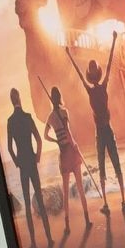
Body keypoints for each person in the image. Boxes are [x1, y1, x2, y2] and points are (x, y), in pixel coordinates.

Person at [65, 35, 125, 215]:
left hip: (101, 132)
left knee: (104, 166)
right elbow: (108, 65)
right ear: (97, 75)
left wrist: (69, 56)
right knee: (114, 163)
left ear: (91, 75)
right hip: (105, 130)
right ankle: (122, 201)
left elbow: (80, 74)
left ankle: (109, 203)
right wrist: (113, 41)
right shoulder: (102, 86)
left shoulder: (91, 90)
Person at [6, 88, 51, 248]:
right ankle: (49, 238)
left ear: (12, 101)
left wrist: (17, 162)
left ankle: (33, 242)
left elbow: (9, 147)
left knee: (26, 201)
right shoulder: (27, 117)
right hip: (31, 161)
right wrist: (37, 156)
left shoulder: (10, 121)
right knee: (39, 197)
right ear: (19, 99)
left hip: (23, 164)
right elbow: (39, 139)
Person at [43, 86, 90, 234]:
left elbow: (45, 136)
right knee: (80, 187)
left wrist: (56, 141)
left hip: (63, 153)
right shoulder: (64, 112)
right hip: (71, 150)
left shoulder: (50, 117)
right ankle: (87, 220)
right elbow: (68, 132)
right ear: (59, 97)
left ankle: (67, 225)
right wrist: (75, 146)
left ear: (51, 99)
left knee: (65, 190)